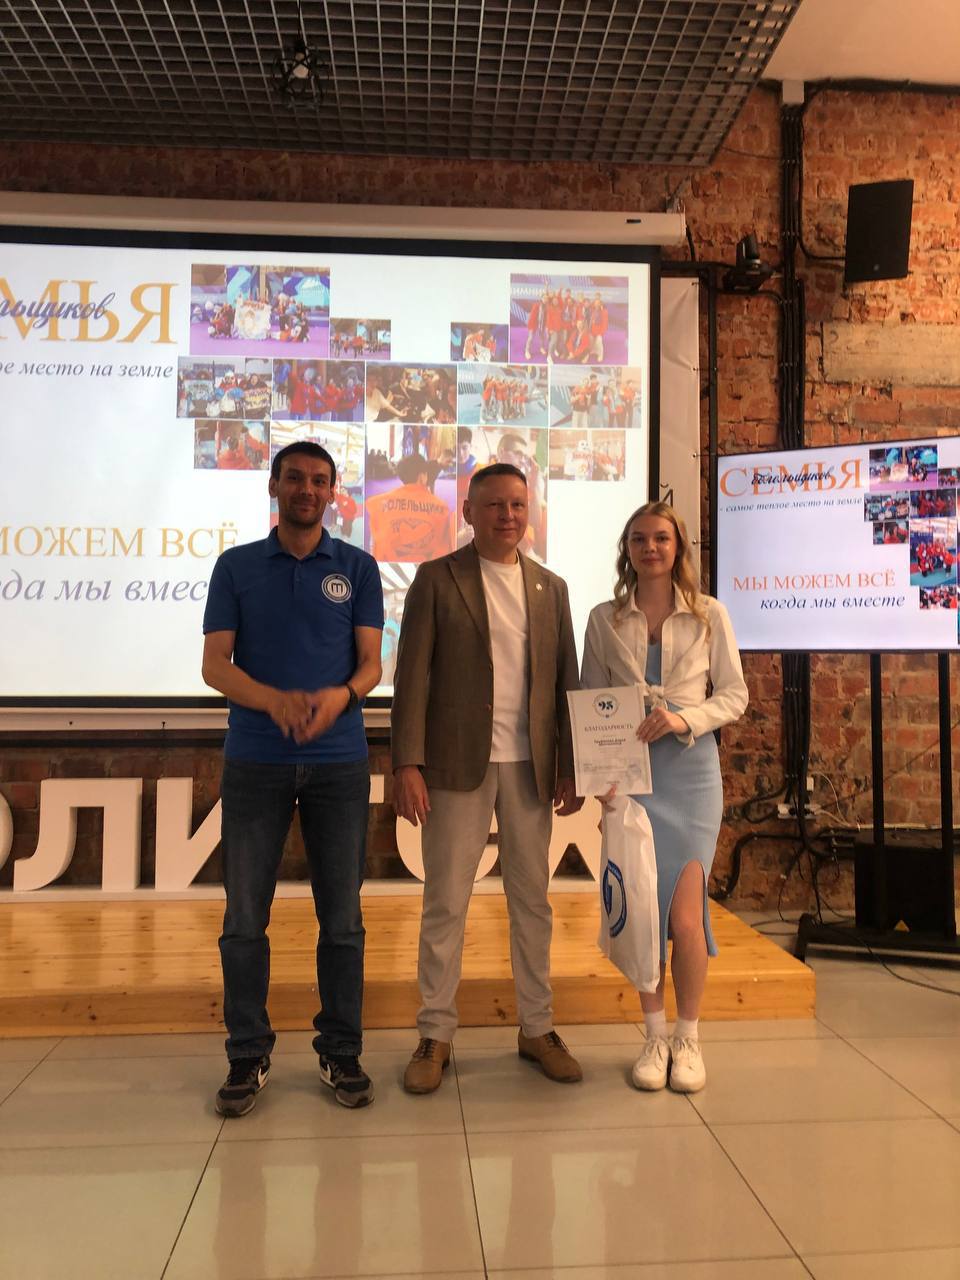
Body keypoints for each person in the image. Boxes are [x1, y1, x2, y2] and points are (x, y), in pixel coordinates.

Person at [202, 441, 384, 1117]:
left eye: (319, 481)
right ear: (274, 486)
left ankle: (342, 1051)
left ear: (333, 492)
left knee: (342, 919)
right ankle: (247, 1054)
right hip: (255, 761)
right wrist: (272, 702)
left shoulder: (358, 567)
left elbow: (371, 665)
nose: (307, 489)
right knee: (244, 918)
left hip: (341, 763)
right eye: (296, 478)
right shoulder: (236, 566)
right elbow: (215, 666)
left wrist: (342, 696)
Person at [392, 463, 584, 1094]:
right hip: (454, 767)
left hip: (530, 768)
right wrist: (406, 763)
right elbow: (411, 678)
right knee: (446, 901)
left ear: (530, 512)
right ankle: (435, 1033)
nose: (508, 515)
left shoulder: (551, 588)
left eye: (518, 505)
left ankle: (538, 1027)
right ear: (468, 512)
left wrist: (571, 765)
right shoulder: (436, 578)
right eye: (495, 505)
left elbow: (566, 682)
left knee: (533, 901)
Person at [580, 501, 748, 1094]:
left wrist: (682, 720)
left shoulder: (709, 615)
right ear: (626, 550)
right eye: (639, 539)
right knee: (643, 914)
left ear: (678, 549)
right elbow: (591, 700)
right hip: (631, 779)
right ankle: (653, 1037)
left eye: (661, 538)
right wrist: (600, 777)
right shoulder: (602, 619)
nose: (650, 548)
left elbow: (734, 696)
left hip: (691, 776)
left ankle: (688, 1038)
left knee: (685, 915)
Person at [365, 451, 456, 563]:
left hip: (387, 568)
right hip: (430, 569)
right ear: (422, 476)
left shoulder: (378, 503)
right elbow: (448, 548)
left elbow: (375, 543)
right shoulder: (443, 508)